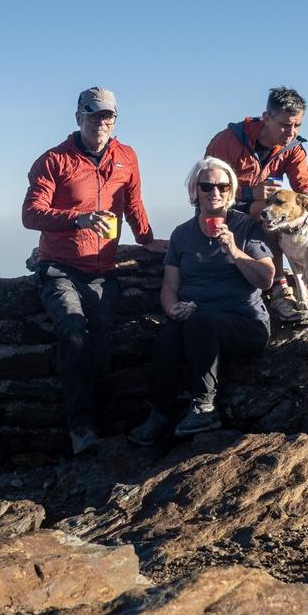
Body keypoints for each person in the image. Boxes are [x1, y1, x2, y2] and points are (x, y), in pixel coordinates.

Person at [23, 87, 165, 455]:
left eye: (108, 116)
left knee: (101, 344)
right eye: (93, 114)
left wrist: (148, 240)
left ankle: (103, 424)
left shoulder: (126, 157)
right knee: (73, 329)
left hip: (104, 269)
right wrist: (78, 219)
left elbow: (132, 203)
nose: (101, 122)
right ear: (78, 117)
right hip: (60, 268)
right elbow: (30, 214)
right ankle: (81, 428)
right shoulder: (54, 161)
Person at [128, 157, 274, 444]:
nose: (215, 192)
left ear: (231, 191)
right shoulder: (182, 234)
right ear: (195, 191)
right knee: (168, 336)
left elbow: (266, 278)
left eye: (222, 186)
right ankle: (159, 413)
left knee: (201, 324)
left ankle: (205, 406)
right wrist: (172, 308)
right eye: (207, 186)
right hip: (198, 321)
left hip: (245, 324)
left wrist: (234, 250)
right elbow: (170, 285)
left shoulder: (246, 228)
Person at [204, 87, 308, 321]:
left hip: (262, 213)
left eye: (297, 125)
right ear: (266, 117)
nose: (291, 131)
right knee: (269, 214)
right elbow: (206, 187)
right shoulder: (229, 140)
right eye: (285, 125)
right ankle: (279, 290)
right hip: (225, 212)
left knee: (279, 215)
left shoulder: (293, 148)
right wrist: (248, 192)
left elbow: (305, 187)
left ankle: (307, 284)